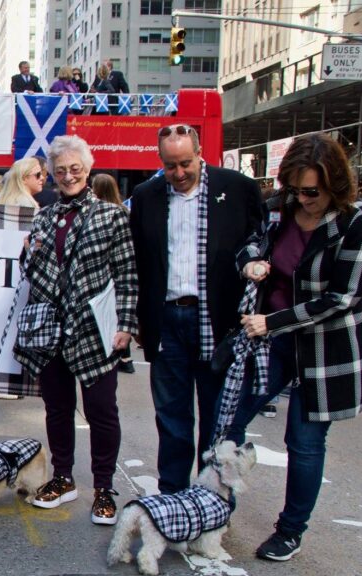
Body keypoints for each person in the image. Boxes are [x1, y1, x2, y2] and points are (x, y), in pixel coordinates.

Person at [225, 134, 362, 561]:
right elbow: (249, 245)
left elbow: (341, 299)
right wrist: (249, 262)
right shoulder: (279, 210)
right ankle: (216, 507)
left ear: (335, 185)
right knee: (228, 418)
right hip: (270, 344)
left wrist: (272, 321)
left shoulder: (353, 224)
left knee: (303, 440)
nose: (304, 199)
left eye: (313, 192)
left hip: (326, 348)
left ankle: (290, 531)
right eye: (296, 189)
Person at [130, 124, 264, 495]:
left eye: (185, 163)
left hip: (217, 320)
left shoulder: (237, 189)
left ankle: (214, 501)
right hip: (167, 319)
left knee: (218, 418)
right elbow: (140, 259)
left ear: (200, 152)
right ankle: (173, 497)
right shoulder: (146, 196)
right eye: (169, 165)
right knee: (172, 419)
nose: (178, 173)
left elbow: (258, 238)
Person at [14, 135, 137, 525]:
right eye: (61, 170)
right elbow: (31, 272)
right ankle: (63, 478)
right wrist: (27, 252)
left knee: (102, 411)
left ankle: (104, 488)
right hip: (53, 329)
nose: (68, 176)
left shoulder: (111, 215)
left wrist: (127, 325)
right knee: (57, 408)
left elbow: (127, 274)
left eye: (75, 169)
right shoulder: (44, 216)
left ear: (88, 168)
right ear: (52, 173)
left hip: (94, 329)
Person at [91, 174, 135, 374]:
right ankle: (125, 356)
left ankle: (121, 354)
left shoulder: (107, 213)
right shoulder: (123, 211)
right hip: (116, 276)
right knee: (115, 318)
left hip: (106, 278)